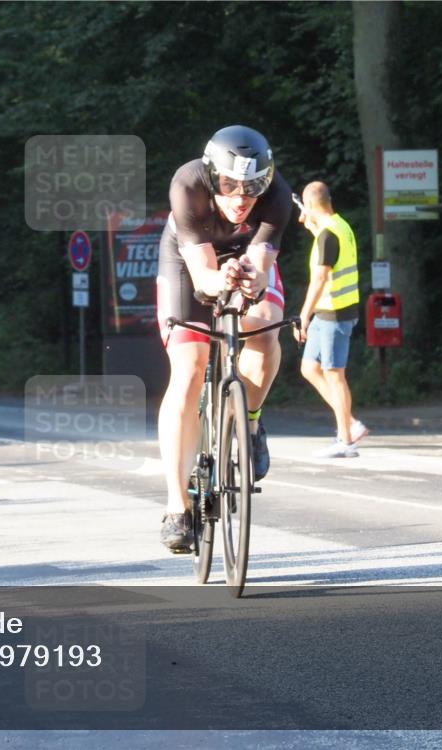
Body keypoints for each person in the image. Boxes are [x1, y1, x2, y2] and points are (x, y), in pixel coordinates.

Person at [156, 125, 294, 552]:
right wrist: (222, 279)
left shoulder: (278, 196)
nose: (240, 199)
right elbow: (202, 277)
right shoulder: (188, 184)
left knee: (266, 321)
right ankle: (177, 507)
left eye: (251, 189)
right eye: (230, 186)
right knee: (190, 365)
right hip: (189, 262)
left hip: (243, 256)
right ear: (213, 177)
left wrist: (249, 278)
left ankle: (249, 423)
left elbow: (260, 264)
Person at [294, 181, 368, 458]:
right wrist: (312, 225)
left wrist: (303, 316)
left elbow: (320, 278)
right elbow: (326, 244)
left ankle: (346, 441)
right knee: (309, 367)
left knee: (334, 375)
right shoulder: (339, 226)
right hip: (331, 312)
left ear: (311, 206)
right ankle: (349, 422)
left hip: (334, 313)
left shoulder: (327, 236)